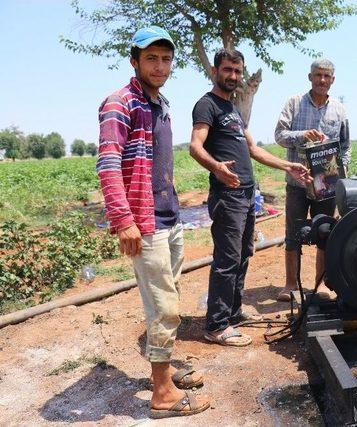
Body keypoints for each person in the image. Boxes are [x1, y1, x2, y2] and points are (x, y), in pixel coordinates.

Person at [97, 26, 209, 418]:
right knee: (164, 306)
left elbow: (157, 161)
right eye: (151, 59)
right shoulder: (120, 103)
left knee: (169, 297)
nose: (160, 66)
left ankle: (162, 373)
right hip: (145, 223)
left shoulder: (159, 104)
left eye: (165, 59)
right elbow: (108, 164)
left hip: (170, 216)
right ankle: (162, 395)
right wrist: (124, 220)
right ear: (134, 61)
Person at [189, 48, 311, 346]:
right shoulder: (207, 106)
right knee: (227, 258)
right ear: (216, 71)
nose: (233, 76)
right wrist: (217, 167)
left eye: (237, 71)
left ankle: (232, 312)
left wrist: (288, 165)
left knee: (243, 254)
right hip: (227, 195)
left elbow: (253, 149)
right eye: (228, 70)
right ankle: (216, 325)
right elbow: (195, 146)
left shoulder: (232, 110)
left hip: (246, 195)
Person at [274, 58, 351, 302]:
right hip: (298, 183)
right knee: (293, 233)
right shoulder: (294, 103)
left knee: (325, 233)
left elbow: (345, 146)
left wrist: (341, 171)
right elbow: (279, 135)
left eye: (327, 76)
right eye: (318, 75)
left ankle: (321, 285)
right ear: (310, 77)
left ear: (333, 80)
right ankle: (290, 285)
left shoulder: (339, 109)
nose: (322, 80)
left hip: (326, 186)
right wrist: (301, 136)